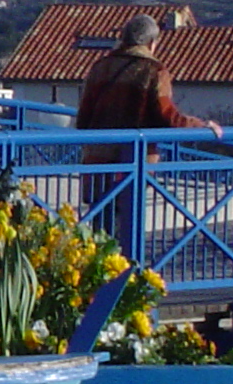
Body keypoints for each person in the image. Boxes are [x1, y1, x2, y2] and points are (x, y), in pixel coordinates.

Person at [76, 13, 222, 240]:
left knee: (99, 227)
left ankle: (102, 271)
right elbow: (168, 117)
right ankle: (124, 272)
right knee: (125, 229)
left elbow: (83, 119)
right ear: (152, 43)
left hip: (97, 161)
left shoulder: (100, 67)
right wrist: (202, 126)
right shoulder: (154, 70)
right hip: (133, 165)